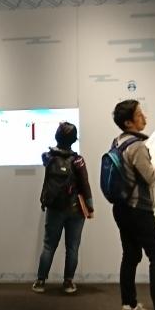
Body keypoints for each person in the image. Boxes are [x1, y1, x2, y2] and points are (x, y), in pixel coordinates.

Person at [110, 100, 155, 310]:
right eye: (140, 115)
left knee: (131, 255)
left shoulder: (118, 141)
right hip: (139, 210)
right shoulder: (137, 147)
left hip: (121, 208)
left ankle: (129, 307)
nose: (145, 118)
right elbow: (150, 177)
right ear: (128, 122)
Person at [33, 122, 93, 295]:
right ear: (74, 140)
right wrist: (90, 207)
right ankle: (68, 283)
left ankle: (40, 282)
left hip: (54, 208)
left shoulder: (48, 157)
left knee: (49, 246)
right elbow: (85, 185)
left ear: (57, 137)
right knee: (72, 247)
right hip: (76, 210)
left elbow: (45, 157)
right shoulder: (78, 160)